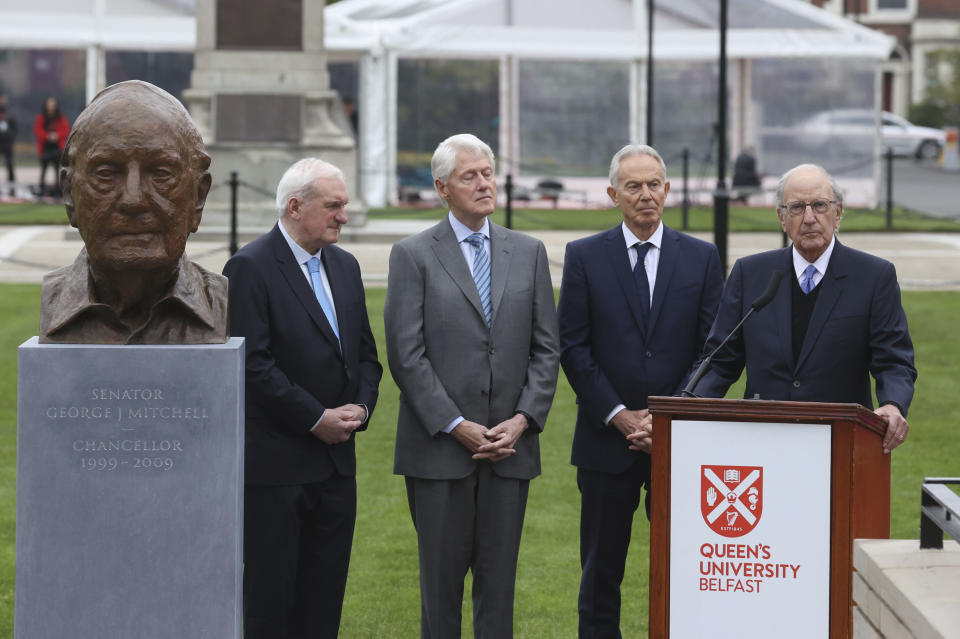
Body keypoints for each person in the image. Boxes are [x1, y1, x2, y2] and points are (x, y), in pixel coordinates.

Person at [384, 133, 560, 639]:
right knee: (440, 594)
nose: (485, 183)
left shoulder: (528, 252)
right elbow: (406, 355)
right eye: (470, 176)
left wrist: (523, 420)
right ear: (442, 187)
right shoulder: (412, 255)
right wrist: (456, 425)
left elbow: (546, 349)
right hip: (440, 454)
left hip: (510, 452)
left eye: (488, 173)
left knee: (498, 589)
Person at [557, 143, 723, 638]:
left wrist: (669, 419)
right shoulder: (584, 256)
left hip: (683, 444)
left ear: (668, 190)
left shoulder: (702, 257)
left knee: (688, 572)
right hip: (607, 443)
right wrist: (618, 414)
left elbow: (713, 352)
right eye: (633, 186)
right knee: (601, 573)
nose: (646, 195)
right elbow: (573, 346)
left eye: (654, 184)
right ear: (613, 194)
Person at [223, 158, 382, 639]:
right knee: (271, 603)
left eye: (344, 206)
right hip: (277, 473)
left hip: (337, 470)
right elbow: (253, 365)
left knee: (324, 601)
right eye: (333, 206)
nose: (344, 217)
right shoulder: (249, 267)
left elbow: (368, 357)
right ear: (295, 207)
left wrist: (362, 406)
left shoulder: (346, 265)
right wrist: (315, 418)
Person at [691, 163, 916, 454]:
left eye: (820, 205)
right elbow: (720, 361)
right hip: (762, 441)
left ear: (838, 213)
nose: (809, 218)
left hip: (841, 441)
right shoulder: (751, 274)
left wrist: (892, 404)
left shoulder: (874, 276)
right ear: (782, 218)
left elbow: (894, 361)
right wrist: (685, 409)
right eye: (797, 207)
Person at [39, 80, 227, 344]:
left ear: (198, 197)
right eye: (105, 173)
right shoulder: (53, 300)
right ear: (70, 194)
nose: (133, 199)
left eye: (161, 173)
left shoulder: (226, 303)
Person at [33, 96, 70, 198]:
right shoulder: (41, 118)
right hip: (45, 148)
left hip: (57, 148)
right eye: (49, 104)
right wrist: (47, 136)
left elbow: (65, 130)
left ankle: (58, 190)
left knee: (57, 170)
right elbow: (38, 131)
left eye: (53, 104)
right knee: (43, 169)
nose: (51, 106)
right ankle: (41, 189)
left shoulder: (60, 118)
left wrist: (57, 135)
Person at [0, 94, 16, 196]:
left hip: (7, 144)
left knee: (10, 166)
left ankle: (12, 189)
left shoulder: (9, 114)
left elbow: (15, 128)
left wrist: (11, 138)